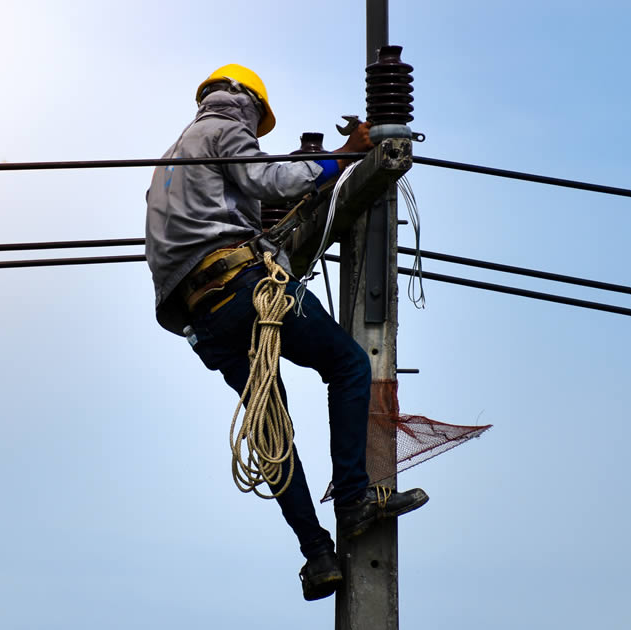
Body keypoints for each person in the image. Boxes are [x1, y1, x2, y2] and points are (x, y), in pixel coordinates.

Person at [144, 63, 428, 601]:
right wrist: (343, 158)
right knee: (347, 364)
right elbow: (267, 178)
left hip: (204, 320)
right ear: (246, 101)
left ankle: (318, 555)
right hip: (246, 289)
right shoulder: (223, 128)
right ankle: (353, 500)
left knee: (272, 428)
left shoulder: (167, 165)